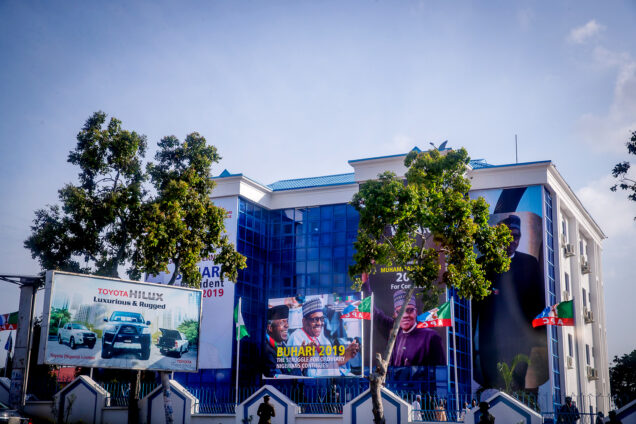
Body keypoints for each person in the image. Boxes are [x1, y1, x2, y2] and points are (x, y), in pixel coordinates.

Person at [472, 214, 548, 390]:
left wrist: (539, 334)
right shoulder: (483, 264)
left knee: (517, 380)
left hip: (520, 336)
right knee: (492, 382)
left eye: (517, 236)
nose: (513, 240)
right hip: (490, 337)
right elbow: (474, 305)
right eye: (509, 235)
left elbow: (538, 300)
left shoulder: (529, 263)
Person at [287, 297, 360, 376]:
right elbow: (307, 374)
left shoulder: (323, 339)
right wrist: (340, 361)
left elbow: (332, 367)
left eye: (322, 319)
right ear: (304, 321)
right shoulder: (296, 337)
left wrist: (344, 356)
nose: (319, 323)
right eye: (315, 319)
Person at [374, 290, 446, 367]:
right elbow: (374, 312)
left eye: (409, 310)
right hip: (392, 378)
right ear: (395, 315)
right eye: (399, 312)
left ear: (416, 312)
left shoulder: (430, 336)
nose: (405, 315)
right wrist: (365, 283)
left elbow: (440, 369)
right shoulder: (395, 331)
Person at [262, 304, 300, 377]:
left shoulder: (283, 347)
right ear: (270, 328)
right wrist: (301, 365)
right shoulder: (267, 351)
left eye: (287, 322)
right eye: (282, 322)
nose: (287, 326)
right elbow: (281, 379)